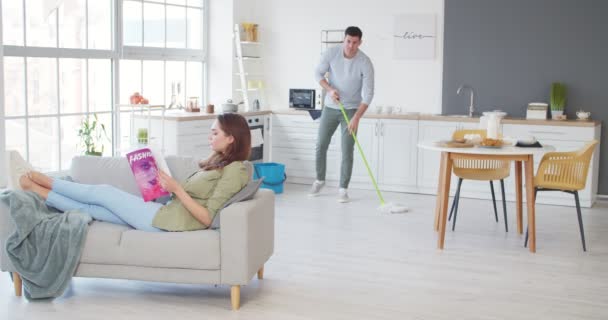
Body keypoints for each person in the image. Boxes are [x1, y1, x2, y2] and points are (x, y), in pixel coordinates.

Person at [18, 113, 252, 232]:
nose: (209, 137)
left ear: (231, 138)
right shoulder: (220, 162)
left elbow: (208, 218)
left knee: (103, 192)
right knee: (93, 210)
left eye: (214, 133)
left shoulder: (236, 170)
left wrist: (177, 188)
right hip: (165, 211)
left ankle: (46, 180)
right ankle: (37, 189)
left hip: (166, 223)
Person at [310, 26, 375, 202]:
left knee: (347, 150)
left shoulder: (365, 62)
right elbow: (317, 73)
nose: (351, 46)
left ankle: (343, 189)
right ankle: (320, 179)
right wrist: (330, 89)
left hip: (352, 109)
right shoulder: (331, 53)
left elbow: (368, 94)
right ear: (343, 40)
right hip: (331, 107)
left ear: (360, 42)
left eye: (355, 42)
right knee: (321, 144)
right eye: (348, 41)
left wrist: (356, 117)